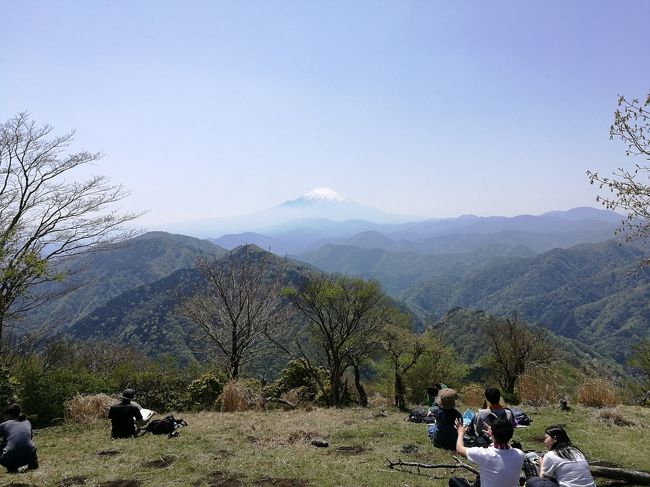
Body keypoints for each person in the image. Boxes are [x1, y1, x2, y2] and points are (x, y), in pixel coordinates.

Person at [450, 417, 524, 487]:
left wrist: (460, 433)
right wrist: (493, 435)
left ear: (493, 434)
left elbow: (459, 449)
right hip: (499, 437)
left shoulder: (485, 454)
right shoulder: (520, 454)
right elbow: (505, 447)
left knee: (453, 481)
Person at [526, 426, 596, 487]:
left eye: (546, 438)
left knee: (533, 481)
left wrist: (542, 464)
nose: (544, 442)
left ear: (554, 439)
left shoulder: (551, 455)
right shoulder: (576, 451)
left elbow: (543, 479)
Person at [0, 403, 38, 473]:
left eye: (4, 416)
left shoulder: (3, 425)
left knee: (5, 446)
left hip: (9, 458)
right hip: (29, 456)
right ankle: (33, 465)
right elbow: (30, 438)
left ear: (8, 415)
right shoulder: (27, 422)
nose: (3, 418)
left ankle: (12, 468)